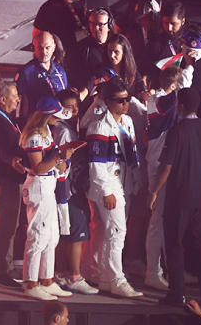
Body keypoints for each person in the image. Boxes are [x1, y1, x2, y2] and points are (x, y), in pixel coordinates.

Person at [150, 86, 201, 308]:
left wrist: (154, 191)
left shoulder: (178, 130)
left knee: (174, 244)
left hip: (179, 197)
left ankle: (177, 294)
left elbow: (166, 166)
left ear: (179, 105)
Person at [86, 78, 144, 298]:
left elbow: (132, 155)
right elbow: (96, 163)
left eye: (127, 99)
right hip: (108, 185)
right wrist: (105, 191)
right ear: (108, 101)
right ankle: (117, 279)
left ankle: (102, 276)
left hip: (124, 183)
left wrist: (135, 182)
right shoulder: (99, 125)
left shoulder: (127, 122)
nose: (125, 104)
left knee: (104, 231)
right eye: (120, 101)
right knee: (117, 232)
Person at [20, 96, 76, 301]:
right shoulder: (34, 136)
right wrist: (59, 157)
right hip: (38, 186)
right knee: (38, 235)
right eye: (56, 116)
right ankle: (30, 282)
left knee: (52, 236)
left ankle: (46, 280)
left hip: (48, 185)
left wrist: (62, 159)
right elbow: (39, 167)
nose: (58, 120)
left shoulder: (46, 134)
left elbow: (52, 164)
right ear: (47, 116)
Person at [144, 65, 189, 291]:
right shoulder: (155, 101)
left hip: (171, 164)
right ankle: (153, 272)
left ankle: (170, 269)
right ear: (172, 86)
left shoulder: (169, 102)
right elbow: (170, 103)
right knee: (157, 222)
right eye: (177, 86)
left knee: (169, 221)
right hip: (158, 166)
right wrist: (189, 65)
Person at [52, 89, 99, 295]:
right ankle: (74, 276)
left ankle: (62, 272)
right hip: (68, 190)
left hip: (68, 190)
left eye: (75, 107)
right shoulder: (64, 132)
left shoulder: (69, 128)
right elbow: (61, 164)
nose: (73, 111)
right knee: (77, 233)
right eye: (67, 108)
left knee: (66, 232)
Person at [0, 79, 27, 286]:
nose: (18, 99)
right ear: (2, 99)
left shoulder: (5, 118)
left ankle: (4, 268)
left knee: (10, 223)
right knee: (5, 224)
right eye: (14, 96)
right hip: (5, 178)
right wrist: (11, 160)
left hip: (11, 177)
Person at [33, 0, 109, 52]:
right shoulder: (49, 7)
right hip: (66, 58)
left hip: (96, 54)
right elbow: (36, 35)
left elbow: (111, 28)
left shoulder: (98, 0)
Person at [18, 31, 69, 119]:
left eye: (47, 48)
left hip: (60, 119)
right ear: (34, 48)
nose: (44, 52)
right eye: (40, 48)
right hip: (39, 122)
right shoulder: (27, 72)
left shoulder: (60, 70)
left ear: (54, 47)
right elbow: (21, 103)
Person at [68, 7, 113, 92]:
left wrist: (141, 88)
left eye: (100, 24)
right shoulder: (80, 49)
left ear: (109, 26)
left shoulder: (118, 44)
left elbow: (130, 67)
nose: (96, 28)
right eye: (93, 24)